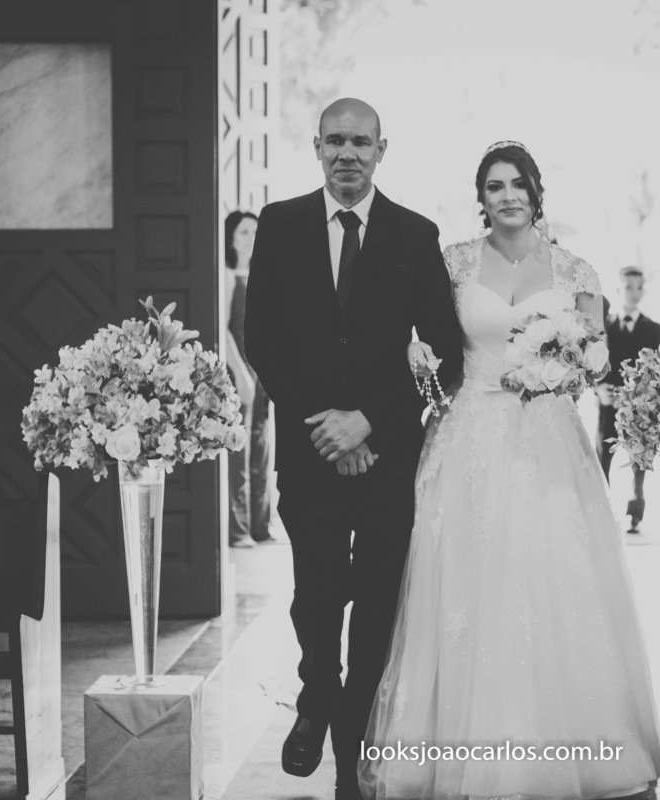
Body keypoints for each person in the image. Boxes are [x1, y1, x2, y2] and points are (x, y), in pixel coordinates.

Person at [359, 142, 660, 800]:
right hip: (467, 436)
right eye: (494, 186)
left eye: (517, 184)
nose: (507, 196)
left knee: (551, 573)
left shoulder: (576, 269)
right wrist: (416, 356)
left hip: (548, 439)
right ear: (482, 197)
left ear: (536, 190)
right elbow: (420, 332)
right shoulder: (453, 262)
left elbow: (598, 361)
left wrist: (571, 362)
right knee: (464, 583)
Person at [244, 98, 464, 800]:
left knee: (373, 614)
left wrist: (368, 422)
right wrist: (325, 427)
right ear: (316, 147)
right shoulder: (280, 224)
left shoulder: (415, 234)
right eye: (335, 140)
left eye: (360, 142)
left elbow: (445, 353)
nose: (347, 153)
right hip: (310, 454)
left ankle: (351, 770)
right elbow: (262, 339)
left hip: (387, 459)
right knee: (317, 599)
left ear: (381, 150)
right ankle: (316, 690)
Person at [597, 266, 660, 532]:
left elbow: (658, 371)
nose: (634, 292)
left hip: (639, 408)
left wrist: (643, 398)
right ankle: (602, 511)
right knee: (603, 458)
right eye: (628, 286)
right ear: (618, 289)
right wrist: (599, 389)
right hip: (608, 405)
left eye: (639, 287)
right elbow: (593, 363)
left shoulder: (653, 329)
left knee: (640, 461)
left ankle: (635, 514)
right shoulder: (605, 326)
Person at [222, 209, 274, 548]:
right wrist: (240, 373)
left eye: (256, 232)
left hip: (263, 372)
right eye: (244, 232)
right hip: (238, 371)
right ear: (230, 237)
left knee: (261, 446)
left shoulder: (264, 276)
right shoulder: (227, 276)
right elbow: (224, 329)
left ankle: (261, 527)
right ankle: (238, 529)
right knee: (238, 448)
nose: (251, 238)